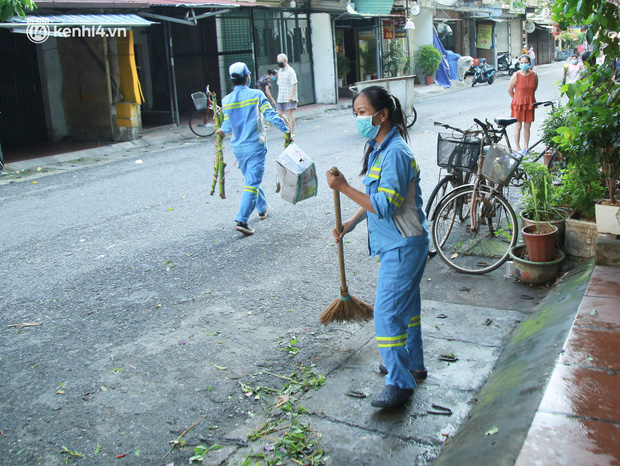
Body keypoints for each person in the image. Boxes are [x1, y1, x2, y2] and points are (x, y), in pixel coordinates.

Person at [325, 85, 429, 410]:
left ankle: (399, 382)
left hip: (403, 245)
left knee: (385, 317)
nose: (359, 118)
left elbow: (383, 206)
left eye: (363, 112)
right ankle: (412, 365)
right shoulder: (379, 147)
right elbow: (374, 200)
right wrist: (350, 224)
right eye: (356, 113)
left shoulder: (396, 153)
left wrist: (343, 188)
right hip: (399, 245)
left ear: (382, 115)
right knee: (407, 313)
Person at [215, 62, 290, 236]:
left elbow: (227, 125)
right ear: (248, 77)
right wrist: (286, 130)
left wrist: (221, 131)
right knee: (252, 182)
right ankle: (242, 220)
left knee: (251, 179)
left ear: (231, 80)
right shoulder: (256, 95)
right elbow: (270, 115)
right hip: (255, 147)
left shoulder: (226, 101)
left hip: (238, 149)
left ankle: (262, 208)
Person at [507, 54, 538, 152]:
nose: (524, 64)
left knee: (527, 126)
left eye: (526, 62)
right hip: (518, 103)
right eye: (522, 63)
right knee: (518, 125)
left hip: (529, 102)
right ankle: (517, 146)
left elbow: (534, 88)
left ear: (529, 63)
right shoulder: (516, 75)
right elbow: (510, 89)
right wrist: (516, 98)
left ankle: (526, 146)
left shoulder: (534, 75)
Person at [276, 53, 298, 137]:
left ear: (285, 61)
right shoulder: (280, 71)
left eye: (281, 62)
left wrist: (291, 96)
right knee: (279, 113)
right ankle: (287, 123)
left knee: (289, 113)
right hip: (281, 96)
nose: (280, 63)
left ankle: (292, 131)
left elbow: (294, 83)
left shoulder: (290, 71)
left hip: (288, 95)